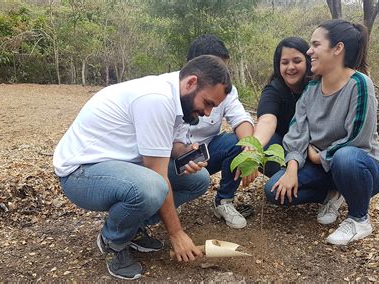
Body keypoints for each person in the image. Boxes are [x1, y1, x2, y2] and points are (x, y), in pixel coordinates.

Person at [53, 55, 232, 280]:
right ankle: (112, 240)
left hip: (122, 165)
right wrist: (176, 233)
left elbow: (174, 146)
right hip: (81, 173)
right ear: (191, 83)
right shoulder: (156, 98)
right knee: (152, 187)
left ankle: (132, 228)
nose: (208, 113)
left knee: (198, 180)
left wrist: (185, 152)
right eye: (207, 103)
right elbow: (157, 173)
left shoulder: (178, 96)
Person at [265, 19, 379, 245]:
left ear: (337, 48)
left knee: (345, 156)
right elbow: (297, 132)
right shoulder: (311, 88)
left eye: (315, 44)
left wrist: (316, 156)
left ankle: (359, 219)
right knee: (274, 190)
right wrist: (291, 168)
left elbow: (356, 138)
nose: (309, 50)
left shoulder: (360, 84)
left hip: (360, 167)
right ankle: (332, 193)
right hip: (324, 169)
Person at [173, 35, 255, 229]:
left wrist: (250, 150)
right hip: (169, 158)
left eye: (224, 70)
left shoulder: (226, 90)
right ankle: (171, 196)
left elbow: (240, 118)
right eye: (215, 68)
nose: (221, 76)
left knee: (238, 142)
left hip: (204, 155)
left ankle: (224, 201)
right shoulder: (169, 91)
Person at [254, 37, 312, 177]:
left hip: (314, 150)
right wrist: (253, 149)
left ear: (308, 61)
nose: (291, 67)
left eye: (297, 61)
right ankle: (288, 178)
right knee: (266, 146)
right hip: (286, 150)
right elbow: (267, 120)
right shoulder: (273, 90)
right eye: (285, 62)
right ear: (278, 66)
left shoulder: (317, 87)